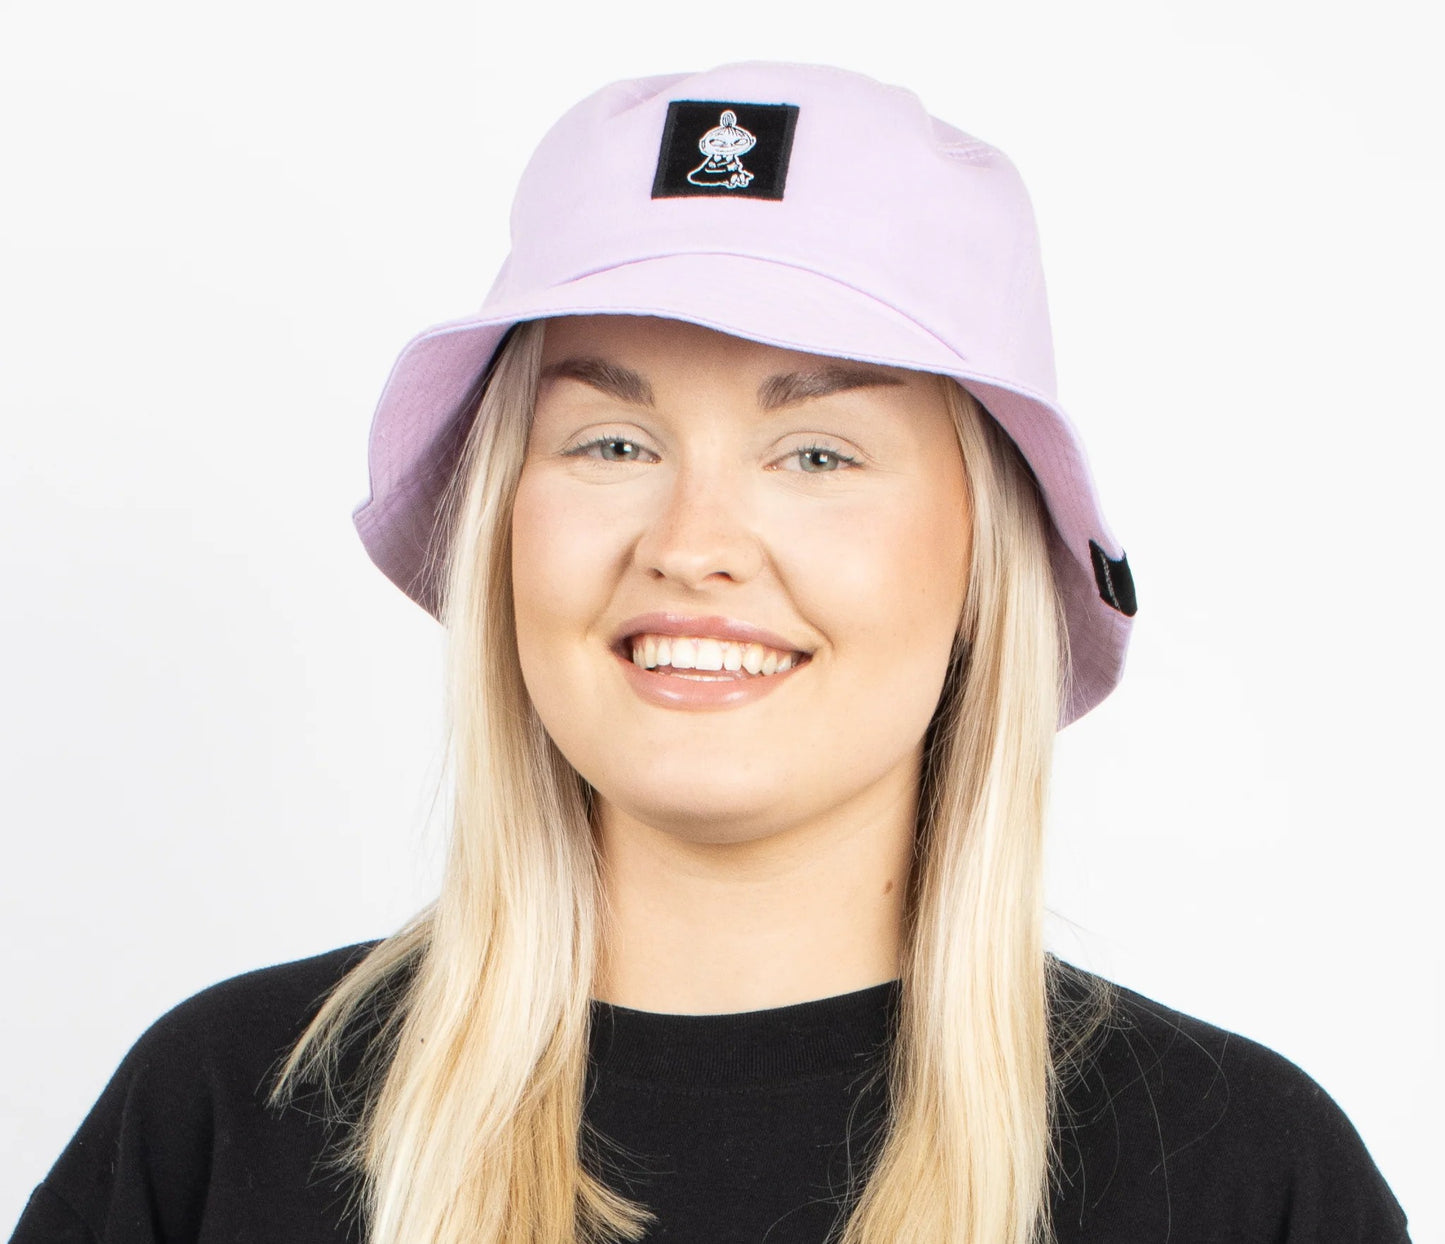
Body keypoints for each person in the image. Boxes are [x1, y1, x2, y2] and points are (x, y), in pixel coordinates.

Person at [10, 61, 1410, 1244]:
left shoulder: (1238, 1178)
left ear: (986, 563)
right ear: (503, 525)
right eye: (612, 443)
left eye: (818, 453)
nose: (693, 544)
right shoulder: (222, 1123)